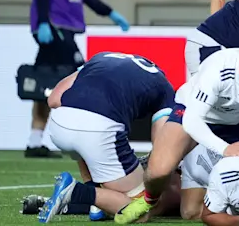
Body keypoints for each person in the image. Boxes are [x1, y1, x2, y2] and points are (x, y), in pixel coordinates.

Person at [114, 44, 239, 224]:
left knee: (193, 211)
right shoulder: (218, 70)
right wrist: (224, 148)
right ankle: (149, 200)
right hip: (194, 113)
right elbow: (192, 121)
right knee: (159, 171)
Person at [27, 0, 129, 159]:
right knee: (80, 78)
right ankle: (81, 139)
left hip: (66, 29)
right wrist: (42, 22)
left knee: (44, 85)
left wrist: (109, 13)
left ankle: (34, 141)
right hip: (53, 27)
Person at [36, 52, 175, 223]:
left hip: (59, 125)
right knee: (141, 208)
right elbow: (163, 143)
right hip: (98, 131)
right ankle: (76, 192)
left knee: (84, 149)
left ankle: (96, 201)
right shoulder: (164, 87)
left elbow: (53, 100)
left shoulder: (100, 59)